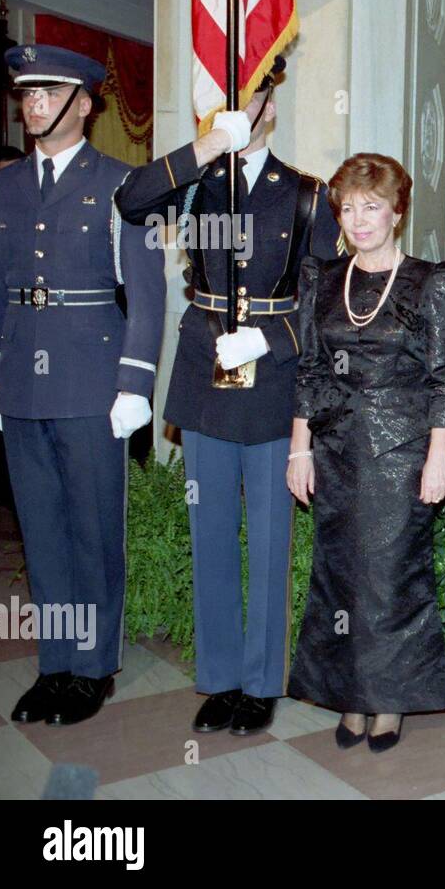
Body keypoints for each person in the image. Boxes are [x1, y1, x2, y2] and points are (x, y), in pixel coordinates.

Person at [115, 55, 341, 736]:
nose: (240, 107)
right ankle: (218, 677)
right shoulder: (194, 182)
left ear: (271, 106)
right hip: (204, 364)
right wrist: (207, 147)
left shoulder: (304, 193)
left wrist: (271, 342)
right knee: (209, 528)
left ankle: (260, 680)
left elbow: (327, 297)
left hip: (270, 376)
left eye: (249, 98)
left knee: (270, 535)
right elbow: (131, 199)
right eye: (223, 100)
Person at [0, 44, 164, 725]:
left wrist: (135, 383)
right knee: (42, 532)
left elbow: (148, 297)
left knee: (93, 531)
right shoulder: (3, 185)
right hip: (23, 384)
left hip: (93, 382)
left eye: (49, 91)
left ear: (85, 103)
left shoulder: (126, 185)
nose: (33, 101)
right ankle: (55, 664)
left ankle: (92, 668)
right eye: (26, 91)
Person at [286, 153, 445, 753]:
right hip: (335, 450)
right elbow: (310, 370)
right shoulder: (321, 278)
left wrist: (438, 458)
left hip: (401, 453)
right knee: (340, 579)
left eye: (373, 207)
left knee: (391, 579)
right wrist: (299, 451)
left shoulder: (429, 280)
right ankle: (351, 695)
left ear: (397, 211)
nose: (360, 219)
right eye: (349, 207)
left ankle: (389, 700)